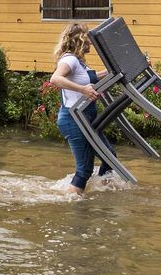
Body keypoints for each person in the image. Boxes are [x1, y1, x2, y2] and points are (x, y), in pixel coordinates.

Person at [48, 22, 114, 195]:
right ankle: (74, 207)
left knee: (110, 157)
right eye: (88, 39)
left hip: (87, 118)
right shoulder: (69, 59)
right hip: (73, 119)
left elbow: (95, 76)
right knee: (84, 170)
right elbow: (55, 79)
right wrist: (83, 90)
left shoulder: (79, 63)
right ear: (80, 40)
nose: (90, 43)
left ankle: (101, 192)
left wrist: (123, 66)